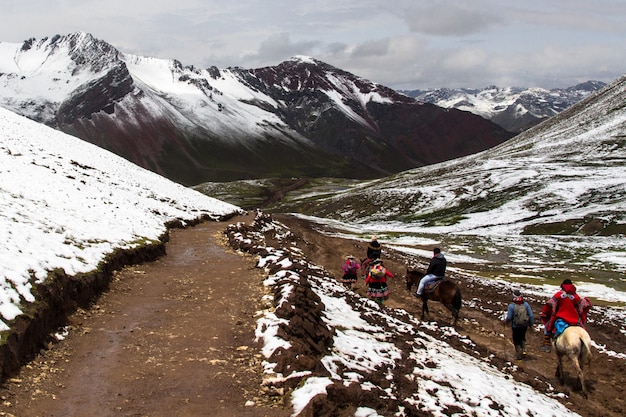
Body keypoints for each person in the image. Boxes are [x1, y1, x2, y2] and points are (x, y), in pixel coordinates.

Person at [543, 279, 592, 347]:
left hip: (561, 317)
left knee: (547, 327)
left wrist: (550, 311)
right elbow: (582, 305)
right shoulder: (575, 296)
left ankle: (547, 344)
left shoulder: (559, 295)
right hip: (574, 319)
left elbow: (550, 303)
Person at [503, 289, 534, 360]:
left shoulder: (511, 306)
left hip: (516, 326)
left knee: (516, 339)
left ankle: (519, 354)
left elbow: (510, 317)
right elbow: (531, 315)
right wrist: (531, 324)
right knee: (522, 337)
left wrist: (506, 322)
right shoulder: (525, 304)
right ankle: (524, 351)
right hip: (524, 325)